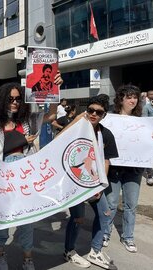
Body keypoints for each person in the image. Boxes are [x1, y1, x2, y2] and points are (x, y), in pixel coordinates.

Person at [0, 81, 62, 270]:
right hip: (4, 173)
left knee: (27, 217)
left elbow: (52, 114)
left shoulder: (27, 120)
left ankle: (28, 257)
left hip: (26, 170)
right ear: (2, 100)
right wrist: (20, 140)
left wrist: (55, 90)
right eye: (10, 99)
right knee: (3, 217)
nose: (14, 102)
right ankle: (0, 253)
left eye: (18, 99)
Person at [60, 95, 118, 270]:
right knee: (78, 218)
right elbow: (59, 139)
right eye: (90, 110)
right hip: (75, 182)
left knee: (105, 215)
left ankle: (96, 250)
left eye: (98, 112)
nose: (93, 114)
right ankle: (69, 251)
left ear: (103, 115)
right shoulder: (77, 128)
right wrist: (76, 120)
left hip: (94, 182)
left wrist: (101, 184)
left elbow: (106, 160)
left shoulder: (105, 134)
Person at [103, 85, 146, 253]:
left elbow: (146, 146)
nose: (132, 100)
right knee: (111, 203)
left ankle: (128, 237)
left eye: (135, 97)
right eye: (128, 97)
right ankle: (105, 233)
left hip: (134, 169)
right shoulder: (110, 119)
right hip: (114, 168)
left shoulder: (143, 122)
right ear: (120, 99)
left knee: (131, 205)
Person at [142, 91, 153, 186]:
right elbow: (144, 121)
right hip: (151, 134)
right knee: (150, 155)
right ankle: (149, 175)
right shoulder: (147, 107)